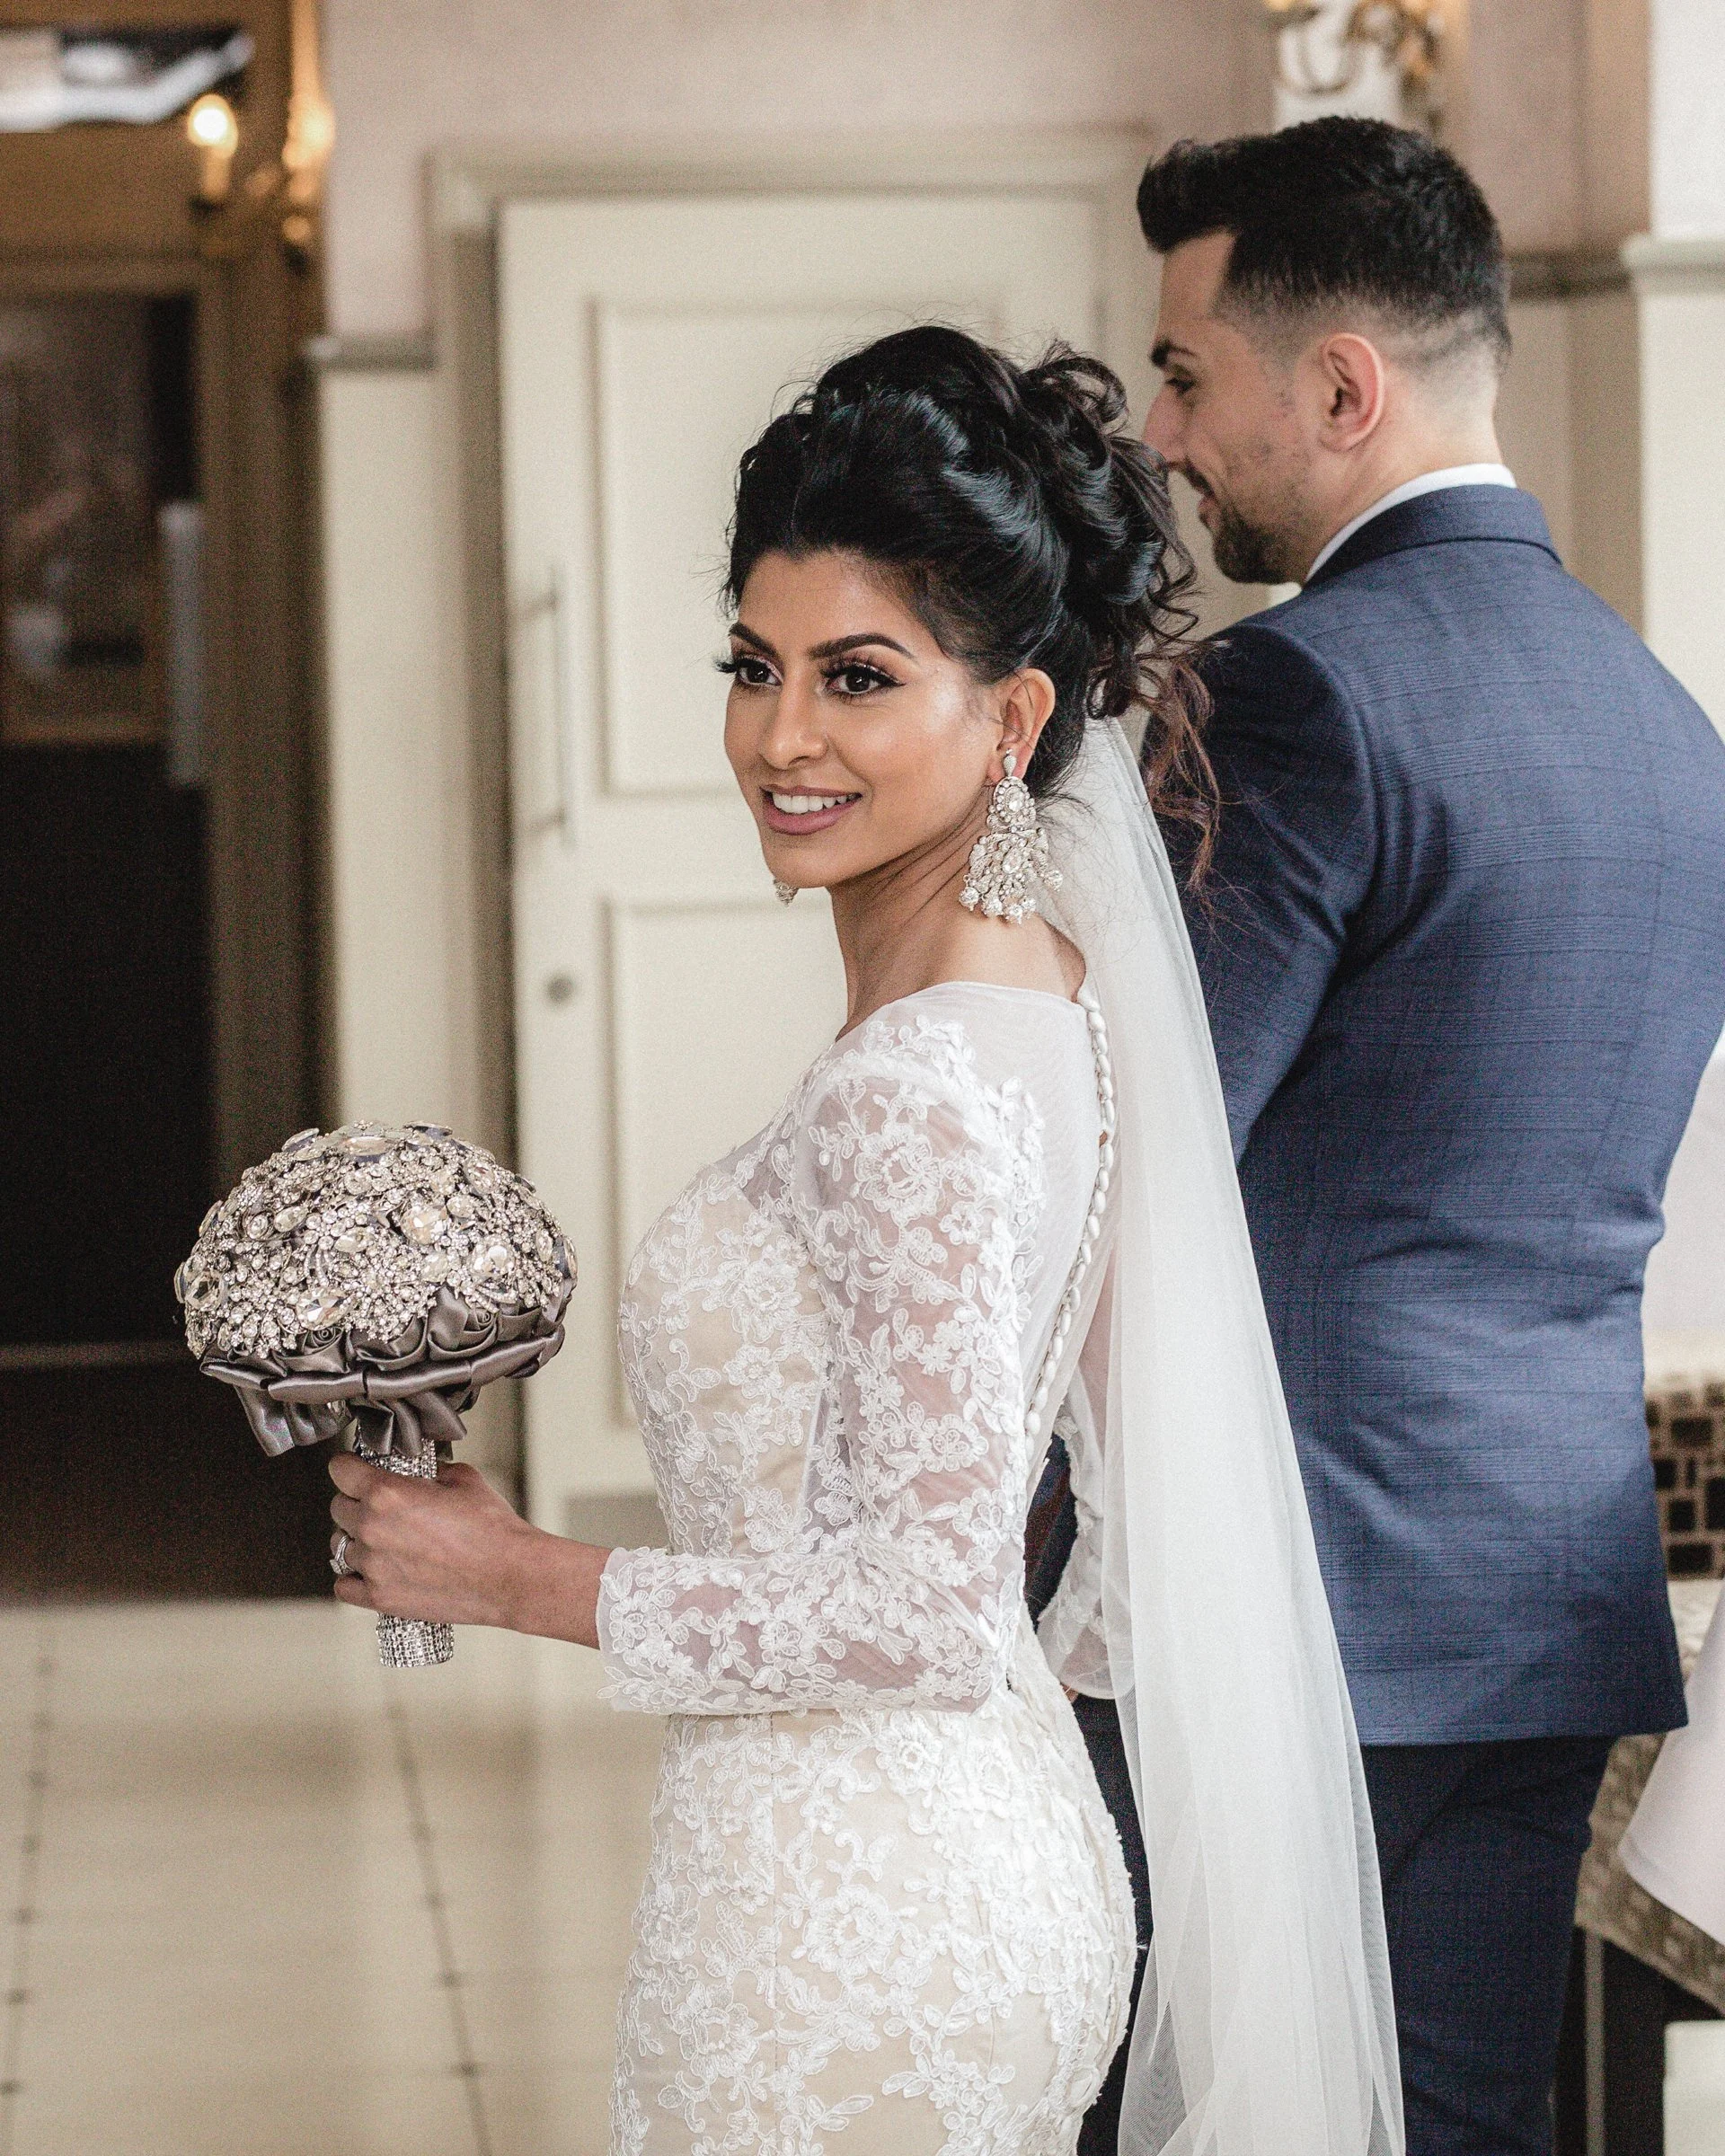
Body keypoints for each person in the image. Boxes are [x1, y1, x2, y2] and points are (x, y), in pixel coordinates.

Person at [324, 325, 1403, 2155]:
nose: (780, 735)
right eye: (753, 666)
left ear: (1013, 720)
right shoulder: (1037, 1009)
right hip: (960, 1854)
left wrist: (514, 1578)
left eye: (857, 676)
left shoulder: (920, 1085)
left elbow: (914, 1603)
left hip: (854, 1932)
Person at [1037, 116, 1725, 2156]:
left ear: (1340, 386)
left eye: (1185, 373)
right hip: (1543, 1592)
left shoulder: (1297, 695)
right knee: (1460, 2126)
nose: (1164, 433)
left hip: (1277, 1601)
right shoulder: (1665, 720)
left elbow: (1123, 1159)